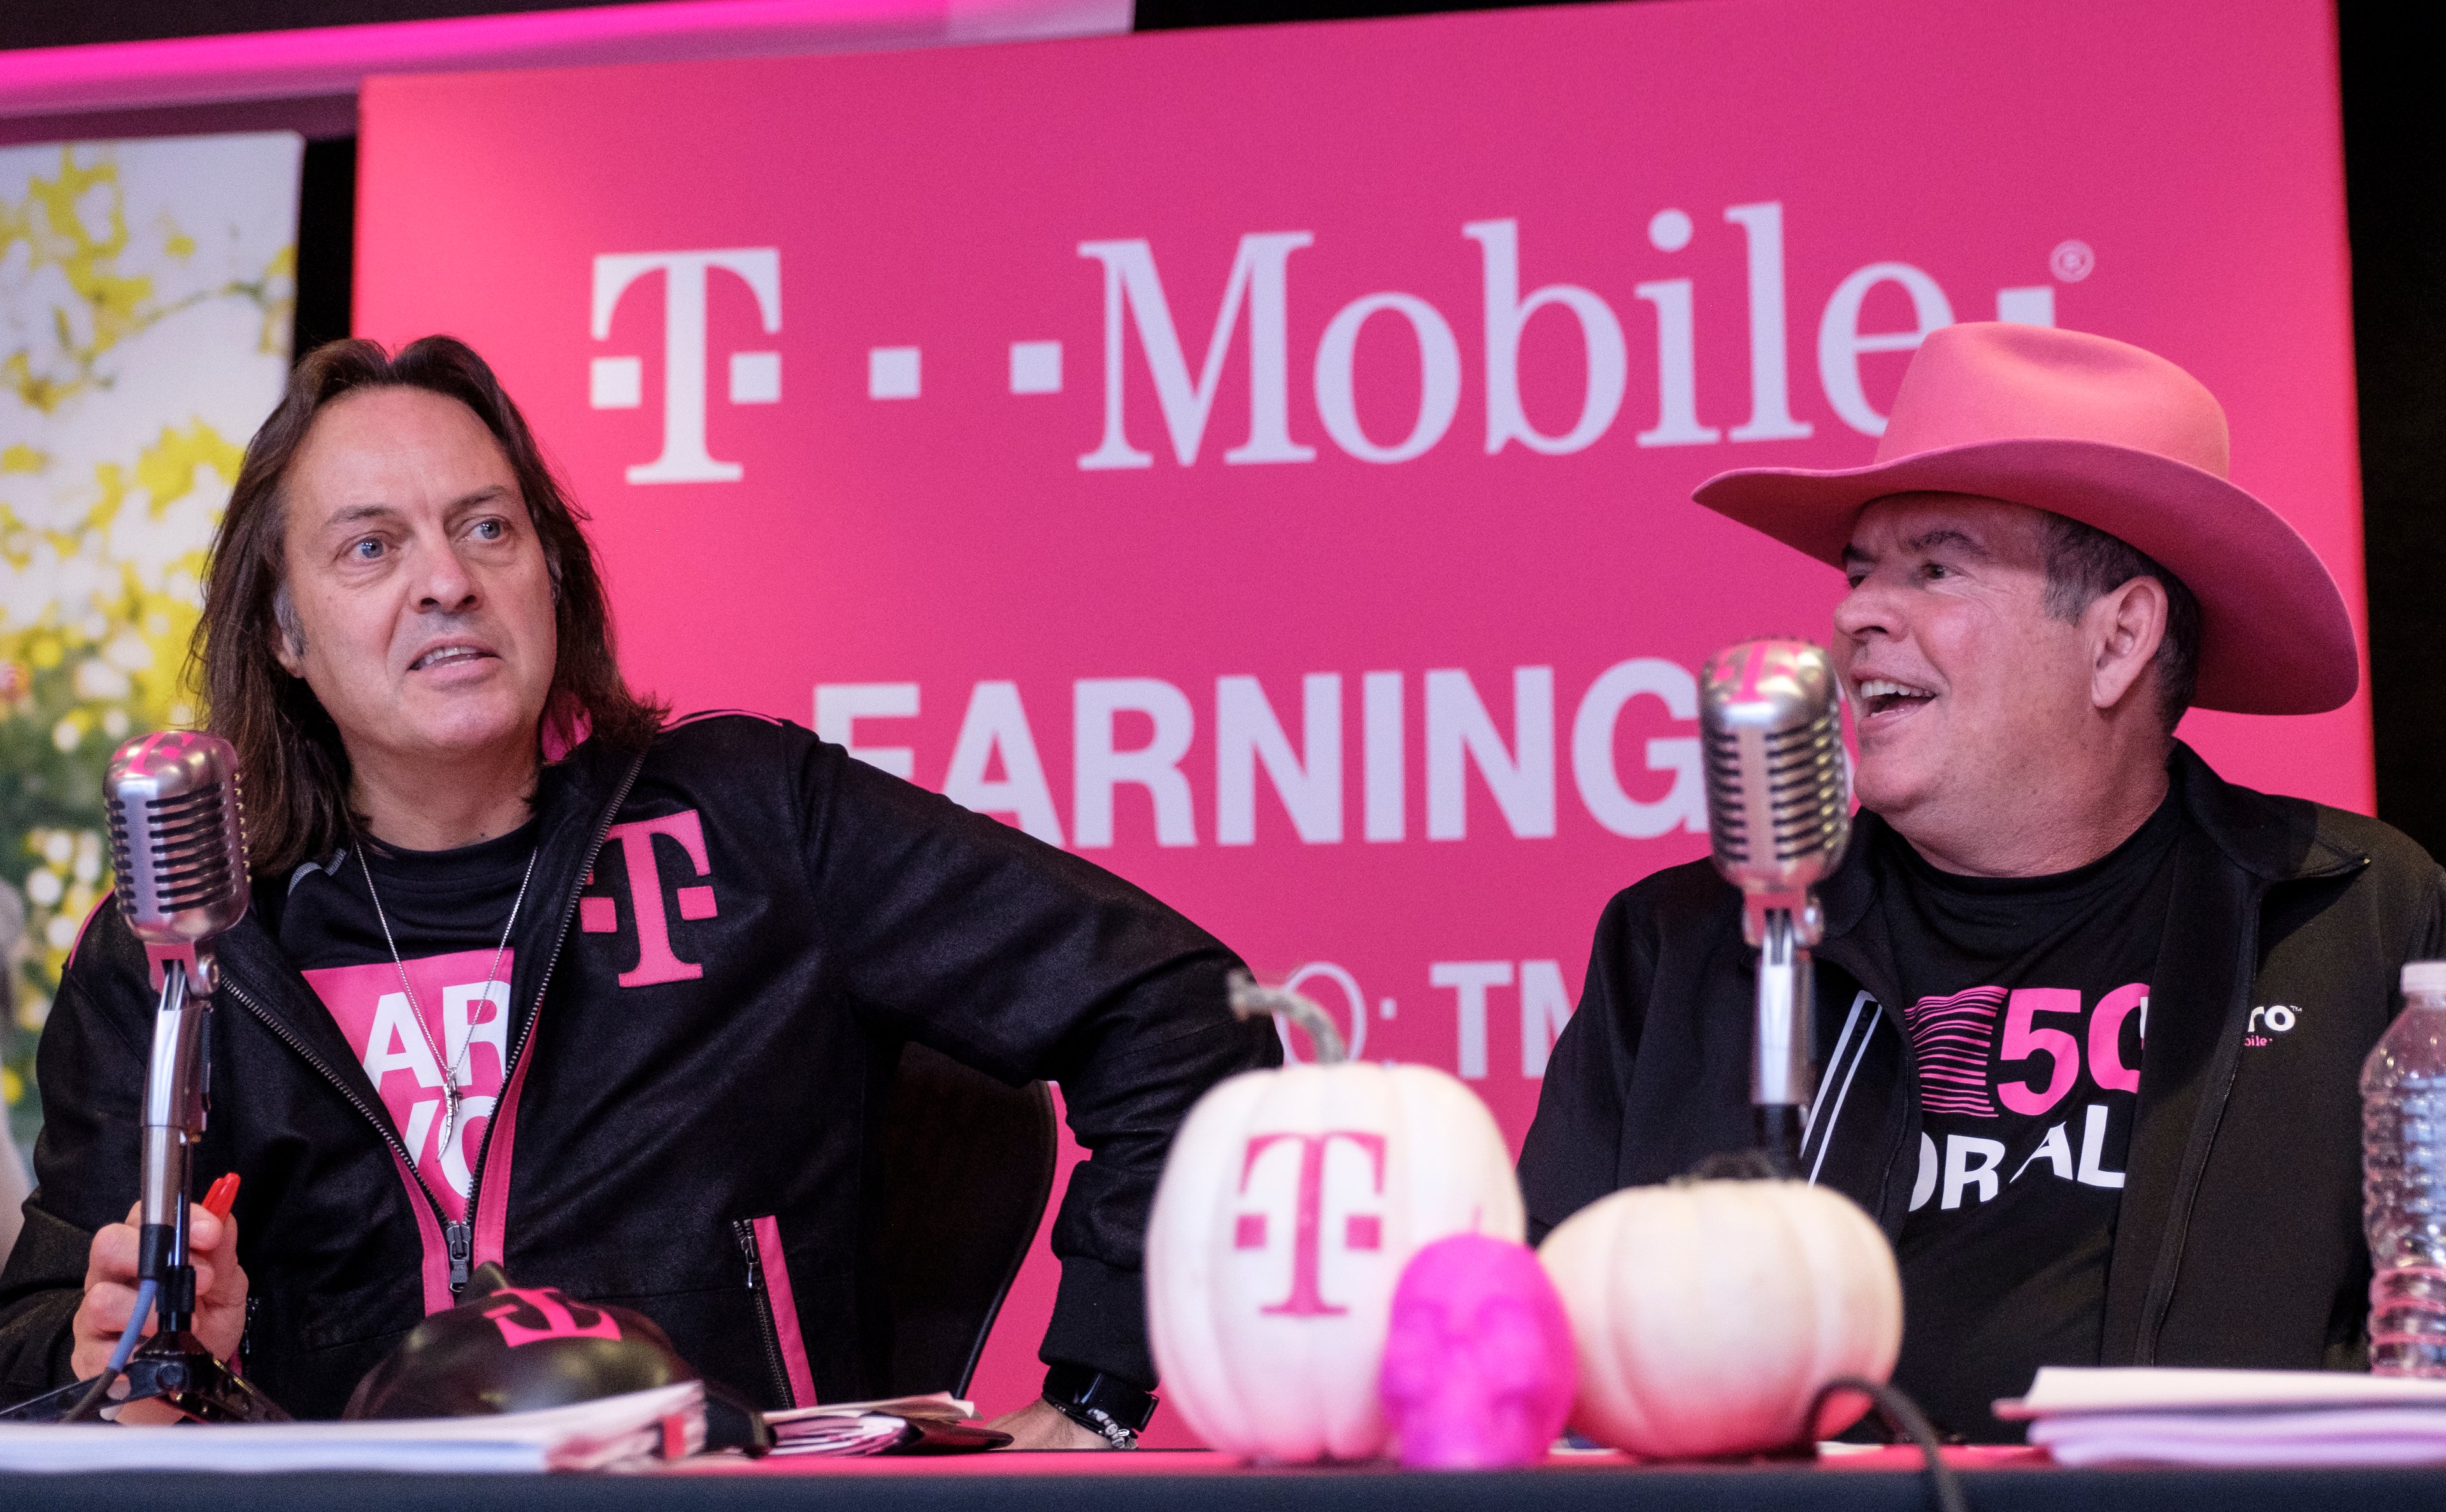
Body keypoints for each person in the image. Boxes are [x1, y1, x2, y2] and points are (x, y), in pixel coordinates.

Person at [0, 337, 1278, 1440]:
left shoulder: (753, 819)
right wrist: (122, 1350)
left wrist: (1098, 1393)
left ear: (550, 570)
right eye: (371, 546)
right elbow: (30, 1345)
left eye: (487, 527)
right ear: (282, 631)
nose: (446, 579)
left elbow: (1186, 1010)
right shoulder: (184, 953)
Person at [1519, 322, 2446, 1441]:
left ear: (2118, 641)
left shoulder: (2360, 916)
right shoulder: (1688, 949)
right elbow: (1545, 1375)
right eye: (1861, 573)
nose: (1858, 613)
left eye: (1936, 567)